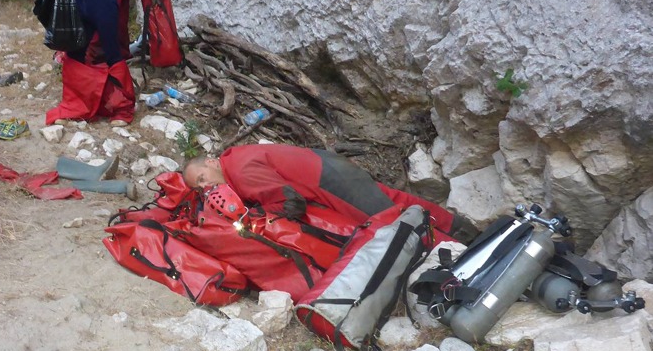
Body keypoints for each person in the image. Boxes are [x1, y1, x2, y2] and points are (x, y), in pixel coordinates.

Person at [183, 143, 479, 244]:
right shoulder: (236, 158)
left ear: (210, 162)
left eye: (202, 178)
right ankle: (463, 230)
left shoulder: (239, 172)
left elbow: (290, 201)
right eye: (199, 188)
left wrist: (266, 220)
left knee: (392, 222)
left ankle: (454, 252)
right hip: (326, 166)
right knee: (397, 201)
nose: (205, 187)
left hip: (328, 183)